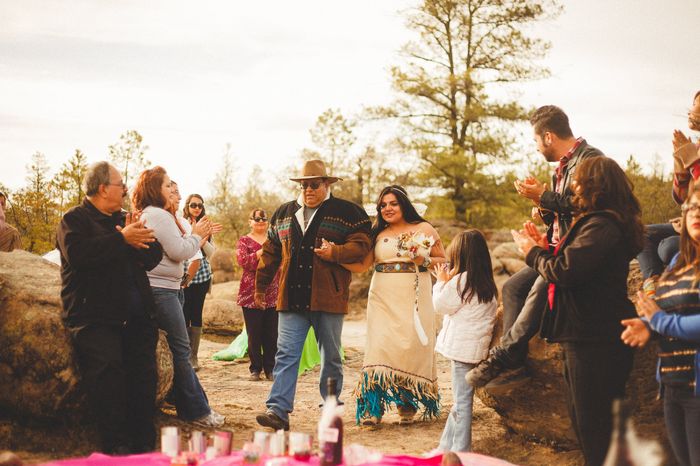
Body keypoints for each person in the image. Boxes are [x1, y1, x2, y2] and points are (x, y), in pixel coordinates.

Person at [512, 156, 644, 466]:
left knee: (595, 430)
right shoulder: (601, 222)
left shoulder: (602, 225)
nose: (574, 185)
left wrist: (532, 254)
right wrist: (544, 248)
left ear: (596, 185)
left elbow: (566, 271)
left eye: (579, 180)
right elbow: (572, 265)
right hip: (587, 334)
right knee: (590, 428)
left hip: (595, 338)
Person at [467, 105, 603, 389]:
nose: (537, 147)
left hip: (576, 252)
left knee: (543, 285)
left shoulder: (590, 160)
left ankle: (504, 357)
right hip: (554, 249)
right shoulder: (561, 169)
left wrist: (545, 196)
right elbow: (560, 213)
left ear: (549, 136)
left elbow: (590, 207)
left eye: (536, 140)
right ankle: (515, 365)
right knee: (513, 287)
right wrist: (540, 206)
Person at [254, 159, 372, 431]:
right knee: (285, 354)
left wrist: (336, 253)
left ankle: (330, 410)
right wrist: (261, 287)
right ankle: (278, 411)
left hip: (328, 297)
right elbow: (271, 251)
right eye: (305, 184)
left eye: (314, 184)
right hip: (291, 297)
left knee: (330, 355)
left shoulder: (347, 212)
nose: (308, 189)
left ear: (327, 184)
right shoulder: (284, 213)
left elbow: (363, 245)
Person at [56, 161, 163, 454]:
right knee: (109, 382)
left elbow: (154, 256)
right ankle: (117, 451)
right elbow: (79, 256)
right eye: (120, 184)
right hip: (95, 319)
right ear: (103, 188)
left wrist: (139, 236)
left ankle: (144, 451)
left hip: (138, 320)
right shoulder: (73, 220)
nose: (126, 189)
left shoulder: (125, 218)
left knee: (143, 382)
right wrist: (121, 239)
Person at [133, 166, 224, 428]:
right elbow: (179, 250)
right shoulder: (158, 216)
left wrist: (197, 236)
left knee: (176, 350)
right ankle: (196, 411)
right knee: (181, 351)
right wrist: (198, 236)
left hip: (170, 288)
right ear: (154, 190)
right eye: (166, 186)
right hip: (161, 291)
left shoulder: (160, 215)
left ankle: (187, 403)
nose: (172, 190)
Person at [348, 185, 446, 426]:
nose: (387, 208)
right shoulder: (377, 233)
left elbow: (443, 259)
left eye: (393, 203)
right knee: (379, 347)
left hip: (414, 294)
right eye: (383, 205)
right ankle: (373, 408)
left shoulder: (424, 228)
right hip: (382, 293)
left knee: (410, 347)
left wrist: (422, 259)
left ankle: (407, 405)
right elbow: (362, 266)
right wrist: (332, 257)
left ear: (404, 204)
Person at [621, 184, 700, 466]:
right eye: (691, 206)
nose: (696, 213)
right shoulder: (679, 261)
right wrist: (648, 326)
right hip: (672, 386)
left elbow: (667, 318)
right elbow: (665, 310)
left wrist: (660, 322)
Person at [433, 230, 497, 452]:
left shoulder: (461, 281)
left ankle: (461, 451)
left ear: (461, 255)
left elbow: (440, 305)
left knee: (462, 404)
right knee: (460, 401)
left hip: (461, 351)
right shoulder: (485, 282)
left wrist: (441, 282)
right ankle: (445, 447)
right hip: (473, 350)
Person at [637, 90, 700, 296]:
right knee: (639, 232)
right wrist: (680, 163)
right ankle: (652, 283)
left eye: (696, 104)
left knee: (668, 247)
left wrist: (690, 158)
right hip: (689, 223)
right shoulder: (696, 146)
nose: (691, 111)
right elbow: (681, 198)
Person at [237, 208, 279, 381]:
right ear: (250, 221)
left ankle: (271, 369)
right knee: (254, 333)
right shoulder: (244, 241)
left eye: (264, 218)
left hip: (273, 291)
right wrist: (259, 253)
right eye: (257, 218)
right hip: (250, 292)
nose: (261, 221)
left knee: (271, 333)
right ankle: (255, 369)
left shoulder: (273, 240)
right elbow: (243, 262)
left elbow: (280, 261)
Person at [182, 193, 216, 371]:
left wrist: (202, 241)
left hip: (202, 276)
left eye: (200, 206)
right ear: (187, 206)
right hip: (183, 274)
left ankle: (193, 357)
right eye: (193, 205)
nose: (197, 208)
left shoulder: (206, 225)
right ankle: (183, 355)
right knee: (183, 313)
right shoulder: (180, 223)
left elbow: (211, 253)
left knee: (196, 313)